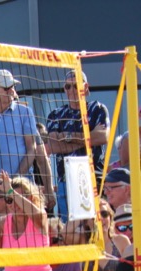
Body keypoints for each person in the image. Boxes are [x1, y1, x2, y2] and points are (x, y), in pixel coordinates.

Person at [0, 69, 54, 209]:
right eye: (6, 88)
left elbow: (33, 150)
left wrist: (14, 182)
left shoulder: (25, 112)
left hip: (23, 188)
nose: (11, 91)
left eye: (12, 86)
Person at [46, 71, 109, 221]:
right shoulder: (55, 114)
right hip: (66, 179)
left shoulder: (97, 108)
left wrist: (67, 137)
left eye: (76, 85)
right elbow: (53, 146)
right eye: (68, 86)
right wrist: (88, 138)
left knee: (96, 225)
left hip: (93, 177)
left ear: (85, 87)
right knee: (69, 228)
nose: (72, 90)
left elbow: (102, 137)